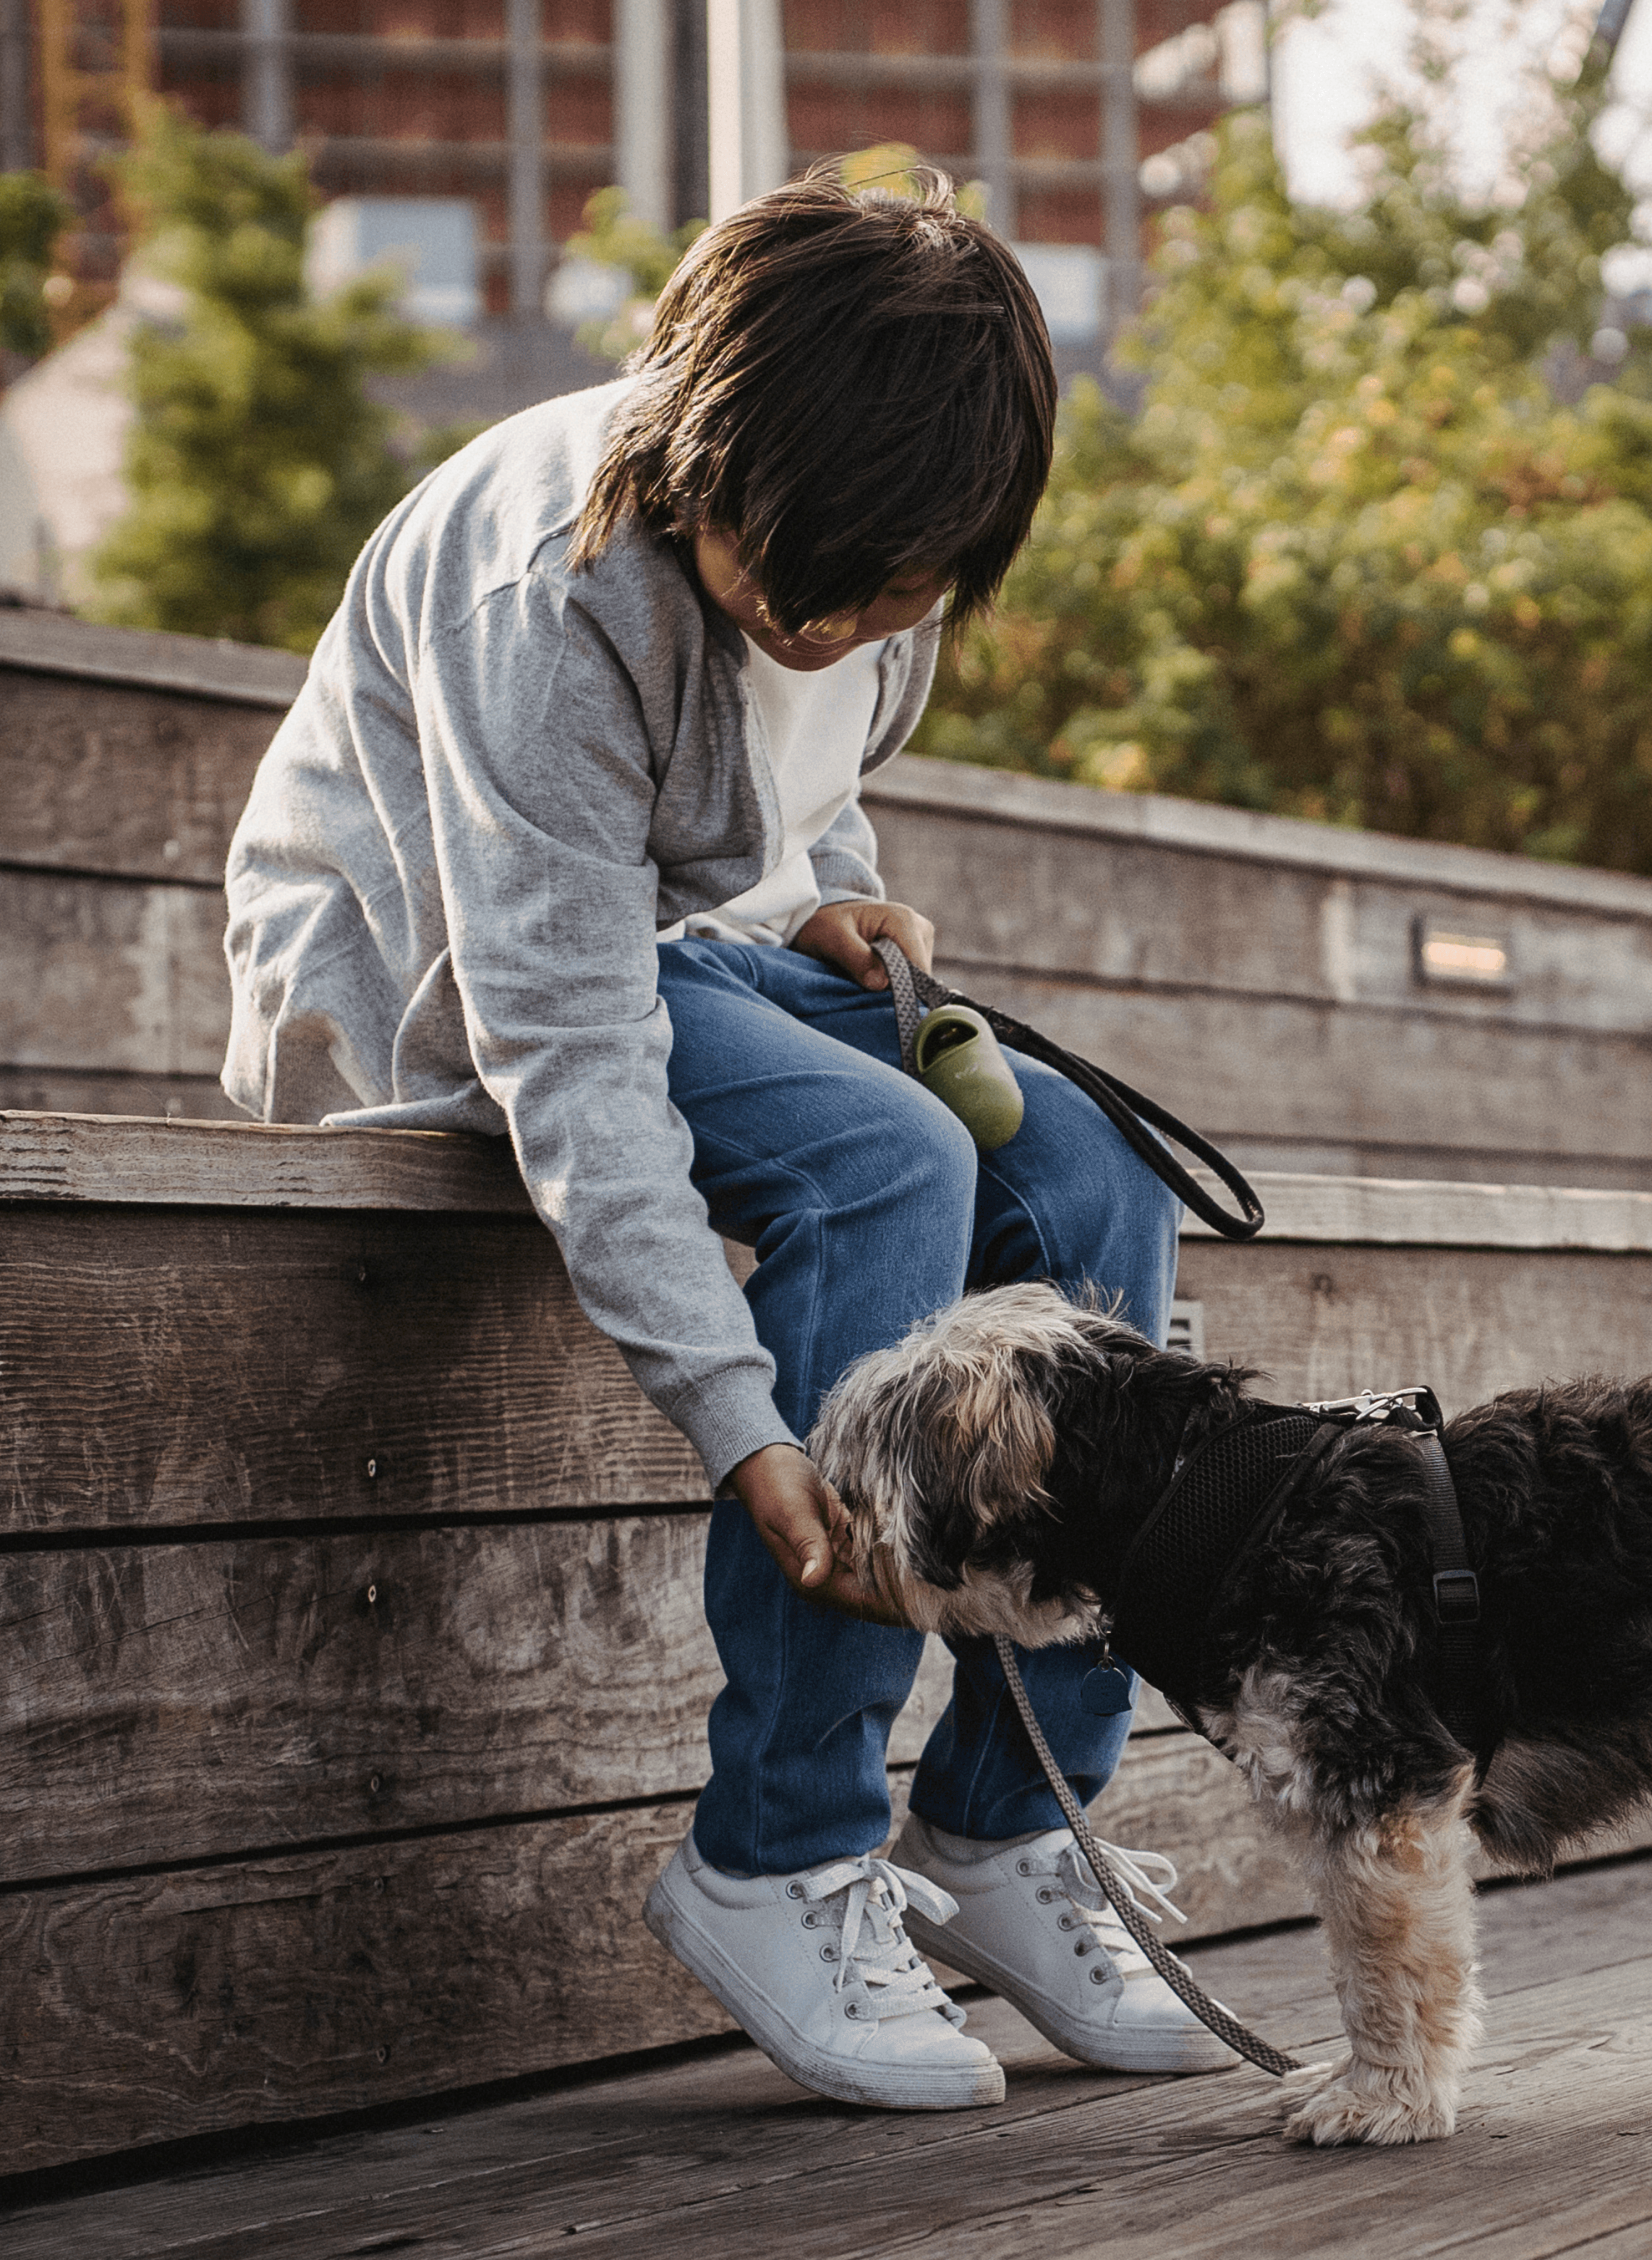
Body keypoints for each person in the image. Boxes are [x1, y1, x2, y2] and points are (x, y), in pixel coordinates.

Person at [218, 168, 1219, 2110]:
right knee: (889, 1161)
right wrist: (750, 1432)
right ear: (701, 464)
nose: (846, 628)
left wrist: (825, 885)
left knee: (1094, 1174)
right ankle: (777, 1851)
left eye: (895, 599)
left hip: (699, 951)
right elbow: (566, 1035)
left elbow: (791, 768)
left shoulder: (894, 535)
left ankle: (1007, 1824)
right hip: (445, 970)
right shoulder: (550, 590)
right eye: (807, 589)